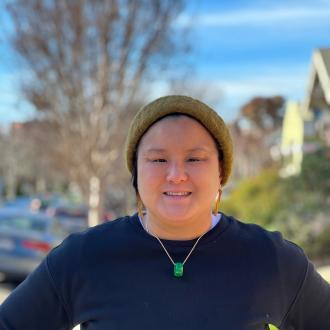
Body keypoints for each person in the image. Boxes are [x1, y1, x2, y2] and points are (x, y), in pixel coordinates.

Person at [0, 95, 329, 330]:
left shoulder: (269, 258)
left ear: (221, 173)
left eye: (195, 158)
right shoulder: (84, 256)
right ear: (136, 175)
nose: (176, 174)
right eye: (158, 160)